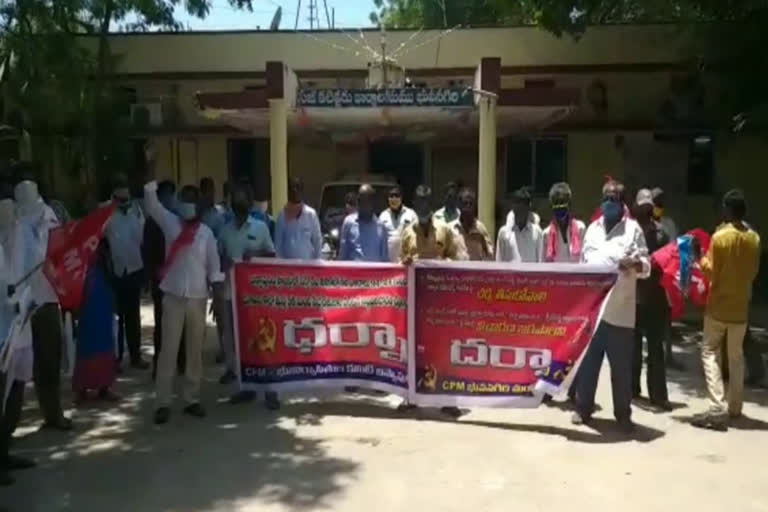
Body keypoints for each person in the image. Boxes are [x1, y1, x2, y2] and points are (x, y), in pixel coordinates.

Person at [144, 167, 224, 425]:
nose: (189, 206)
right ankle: (163, 402)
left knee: (194, 351)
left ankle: (191, 398)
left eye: (193, 200)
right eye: (185, 200)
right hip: (173, 296)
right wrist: (150, 170)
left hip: (198, 299)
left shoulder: (206, 234)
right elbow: (152, 204)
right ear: (180, 204)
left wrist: (218, 298)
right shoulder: (170, 223)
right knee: (168, 350)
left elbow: (214, 270)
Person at [572, 179, 650, 434]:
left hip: (621, 312)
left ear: (622, 203)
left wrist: (635, 265)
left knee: (621, 369)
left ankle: (623, 415)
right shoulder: (592, 229)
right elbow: (583, 263)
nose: (608, 203)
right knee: (588, 364)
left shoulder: (633, 230)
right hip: (594, 311)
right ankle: (583, 408)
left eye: (613, 199)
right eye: (605, 198)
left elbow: (647, 266)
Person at [692, 189, 760, 431]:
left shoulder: (720, 237)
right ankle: (735, 407)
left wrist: (700, 257)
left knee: (710, 352)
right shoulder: (754, 238)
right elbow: (753, 273)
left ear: (728, 210)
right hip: (741, 308)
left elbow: (710, 271)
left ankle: (716, 407)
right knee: (736, 356)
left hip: (718, 306)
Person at [400, 185, 467, 418]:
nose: (423, 206)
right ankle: (410, 397)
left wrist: (441, 263)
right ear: (415, 204)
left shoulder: (446, 230)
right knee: (412, 349)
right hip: (416, 301)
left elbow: (457, 260)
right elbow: (400, 266)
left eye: (426, 202)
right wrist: (408, 262)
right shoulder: (407, 232)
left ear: (431, 203)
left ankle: (449, 400)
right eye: (418, 202)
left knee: (443, 349)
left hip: (440, 303)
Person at [14, 174, 71, 430]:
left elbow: (63, 249)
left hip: (47, 297)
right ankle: (10, 424)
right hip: (20, 304)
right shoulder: (12, 222)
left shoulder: (49, 215)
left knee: (50, 358)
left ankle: (53, 413)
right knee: (19, 365)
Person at [218, 185, 276, 407]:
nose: (238, 204)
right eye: (236, 200)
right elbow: (219, 258)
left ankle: (271, 391)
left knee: (262, 342)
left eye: (243, 200)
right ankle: (247, 388)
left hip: (255, 297)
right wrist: (225, 264)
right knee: (238, 344)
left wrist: (256, 255)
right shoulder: (225, 231)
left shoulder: (261, 228)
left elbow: (272, 255)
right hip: (231, 294)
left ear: (250, 203)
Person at [0, 187, 35, 486]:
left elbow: (32, 267)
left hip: (22, 326)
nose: (8, 217)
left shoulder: (21, 234)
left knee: (16, 390)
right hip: (1, 333)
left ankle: (5, 450)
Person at [631, 189, 671, 411]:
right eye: (642, 209)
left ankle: (658, 395)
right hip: (635, 299)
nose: (645, 213)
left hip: (655, 298)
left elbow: (667, 266)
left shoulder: (662, 235)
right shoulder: (631, 234)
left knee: (656, 349)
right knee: (634, 348)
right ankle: (632, 391)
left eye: (648, 209)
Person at [142, 180, 185, 379]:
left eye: (171, 195)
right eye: (166, 195)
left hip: (178, 280)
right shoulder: (152, 221)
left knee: (180, 323)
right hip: (161, 281)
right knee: (162, 324)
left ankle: (181, 362)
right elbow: (147, 251)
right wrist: (153, 274)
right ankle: (159, 365)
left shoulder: (179, 219)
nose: (170, 199)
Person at [106, 175, 148, 370]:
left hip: (133, 268)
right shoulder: (105, 213)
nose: (124, 203)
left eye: (126, 199)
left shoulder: (136, 211)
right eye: (120, 200)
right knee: (117, 318)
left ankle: (135, 355)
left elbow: (143, 238)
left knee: (133, 316)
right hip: (115, 271)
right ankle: (115, 358)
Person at [72, 240, 119, 404]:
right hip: (86, 297)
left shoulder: (104, 246)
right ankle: (82, 388)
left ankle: (104, 386)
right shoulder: (79, 248)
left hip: (103, 296)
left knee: (105, 340)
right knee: (87, 341)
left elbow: (112, 272)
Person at [275, 176, 322, 260]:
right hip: (288, 268)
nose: (295, 190)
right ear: (288, 191)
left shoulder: (311, 214)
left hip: (307, 266)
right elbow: (278, 245)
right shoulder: (282, 215)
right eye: (292, 187)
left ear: (302, 190)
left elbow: (317, 241)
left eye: (297, 187)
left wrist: (317, 263)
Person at [339, 184, 389, 262]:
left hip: (374, 273)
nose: (361, 203)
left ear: (372, 203)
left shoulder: (381, 227)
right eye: (359, 200)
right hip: (353, 272)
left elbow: (385, 258)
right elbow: (343, 254)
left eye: (365, 200)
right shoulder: (348, 222)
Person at [542, 183, 585, 263]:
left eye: (562, 202)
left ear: (569, 204)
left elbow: (585, 258)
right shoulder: (546, 234)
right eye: (556, 203)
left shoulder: (580, 228)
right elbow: (544, 264)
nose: (559, 206)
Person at [498, 188, 543, 263]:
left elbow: (540, 260)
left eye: (523, 208)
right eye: (517, 209)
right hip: (510, 275)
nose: (520, 213)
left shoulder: (537, 232)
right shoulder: (504, 232)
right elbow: (499, 260)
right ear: (513, 208)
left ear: (528, 208)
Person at [450, 187, 493, 261]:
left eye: (471, 204)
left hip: (475, 272)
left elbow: (489, 254)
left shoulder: (480, 228)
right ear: (459, 206)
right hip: (456, 271)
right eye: (465, 203)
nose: (468, 207)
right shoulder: (451, 229)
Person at [379, 185, 417, 263]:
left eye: (396, 195)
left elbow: (417, 236)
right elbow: (379, 241)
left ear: (401, 198)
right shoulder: (383, 216)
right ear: (388, 198)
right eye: (391, 196)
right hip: (388, 263)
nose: (394, 199)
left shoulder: (411, 214)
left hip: (406, 263)